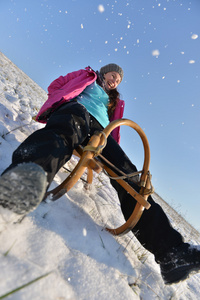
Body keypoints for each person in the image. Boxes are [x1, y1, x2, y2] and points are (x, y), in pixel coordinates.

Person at [0, 63, 200, 285]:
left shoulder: (113, 101)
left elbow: (115, 128)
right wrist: (62, 100)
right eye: (113, 75)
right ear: (104, 72)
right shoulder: (88, 77)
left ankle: (172, 253)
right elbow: (56, 85)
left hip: (101, 133)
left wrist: (110, 150)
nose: (115, 81)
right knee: (63, 133)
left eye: (118, 80)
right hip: (77, 111)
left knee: (129, 175)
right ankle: (26, 176)